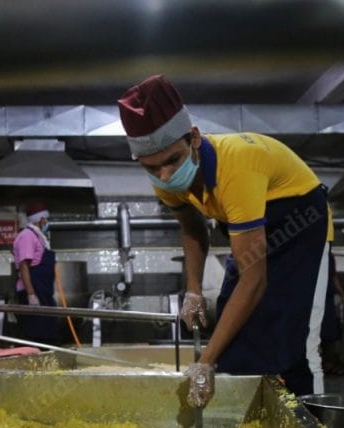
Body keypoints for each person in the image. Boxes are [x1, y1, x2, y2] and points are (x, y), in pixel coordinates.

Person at [118, 74, 332, 406]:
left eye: (173, 160)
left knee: (296, 342)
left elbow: (254, 281)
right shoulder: (163, 176)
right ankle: (251, 426)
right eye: (152, 168)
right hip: (256, 226)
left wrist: (204, 362)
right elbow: (191, 227)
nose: (165, 176)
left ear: (194, 138)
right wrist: (193, 290)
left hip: (301, 223)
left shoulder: (237, 168)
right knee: (237, 345)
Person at [12, 202, 59, 344]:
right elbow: (24, 266)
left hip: (43, 291)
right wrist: (31, 295)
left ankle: (48, 361)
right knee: (36, 334)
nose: (47, 222)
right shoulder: (27, 236)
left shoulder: (39, 237)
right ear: (41, 220)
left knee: (48, 331)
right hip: (34, 292)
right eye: (46, 219)